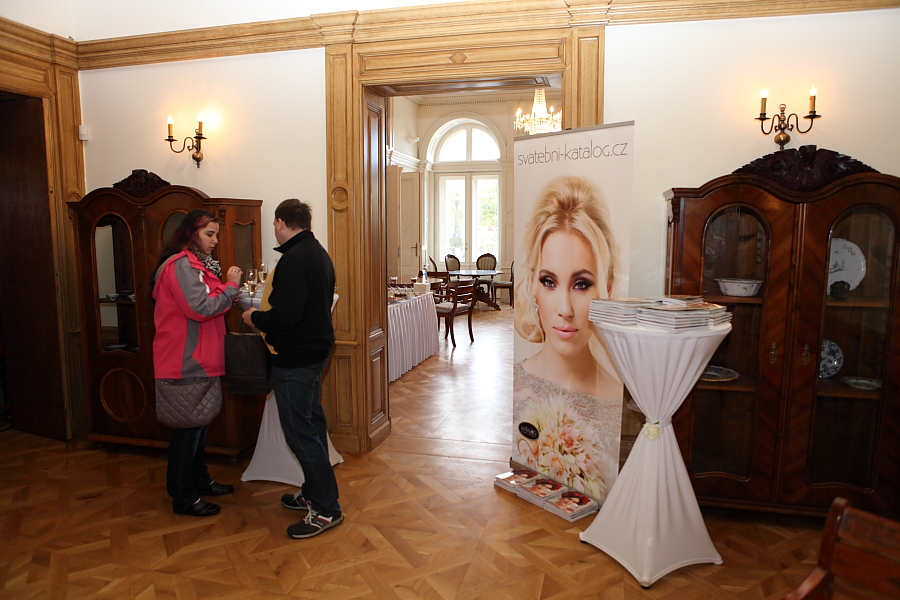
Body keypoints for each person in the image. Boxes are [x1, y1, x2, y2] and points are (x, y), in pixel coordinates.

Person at [512, 175, 623, 501]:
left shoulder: (620, 402)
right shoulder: (517, 386)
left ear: (607, 287)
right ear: (533, 284)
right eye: (549, 281)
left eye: (581, 284)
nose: (564, 309)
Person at [242, 199, 341, 539]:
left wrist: (254, 317)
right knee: (311, 425)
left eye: (274, 224)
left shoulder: (295, 258)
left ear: (281, 222)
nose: (274, 229)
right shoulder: (316, 252)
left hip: (296, 358)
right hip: (314, 353)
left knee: (301, 434)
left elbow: (285, 316)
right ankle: (314, 492)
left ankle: (326, 508)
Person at [151, 209, 242, 517]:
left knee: (199, 427)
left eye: (216, 234)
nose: (215, 241)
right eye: (209, 234)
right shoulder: (181, 265)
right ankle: (183, 497)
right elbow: (201, 308)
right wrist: (231, 288)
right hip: (185, 360)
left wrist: (226, 292)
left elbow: (209, 302)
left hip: (201, 358)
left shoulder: (197, 266)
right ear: (192, 234)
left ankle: (199, 481)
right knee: (188, 432)